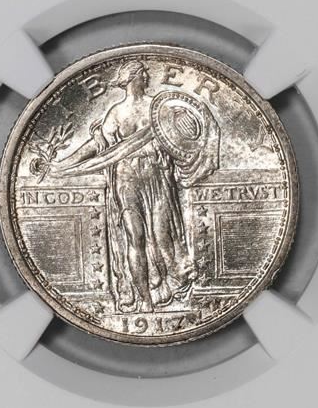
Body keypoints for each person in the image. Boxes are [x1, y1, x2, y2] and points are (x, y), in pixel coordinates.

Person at [49, 60, 218, 312]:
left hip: (157, 176)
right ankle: (144, 299)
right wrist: (62, 164)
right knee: (134, 237)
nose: (147, 76)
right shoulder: (116, 113)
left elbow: (182, 137)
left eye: (146, 73)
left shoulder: (158, 107)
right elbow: (96, 148)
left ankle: (168, 287)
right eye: (142, 73)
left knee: (163, 235)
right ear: (131, 78)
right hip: (126, 178)